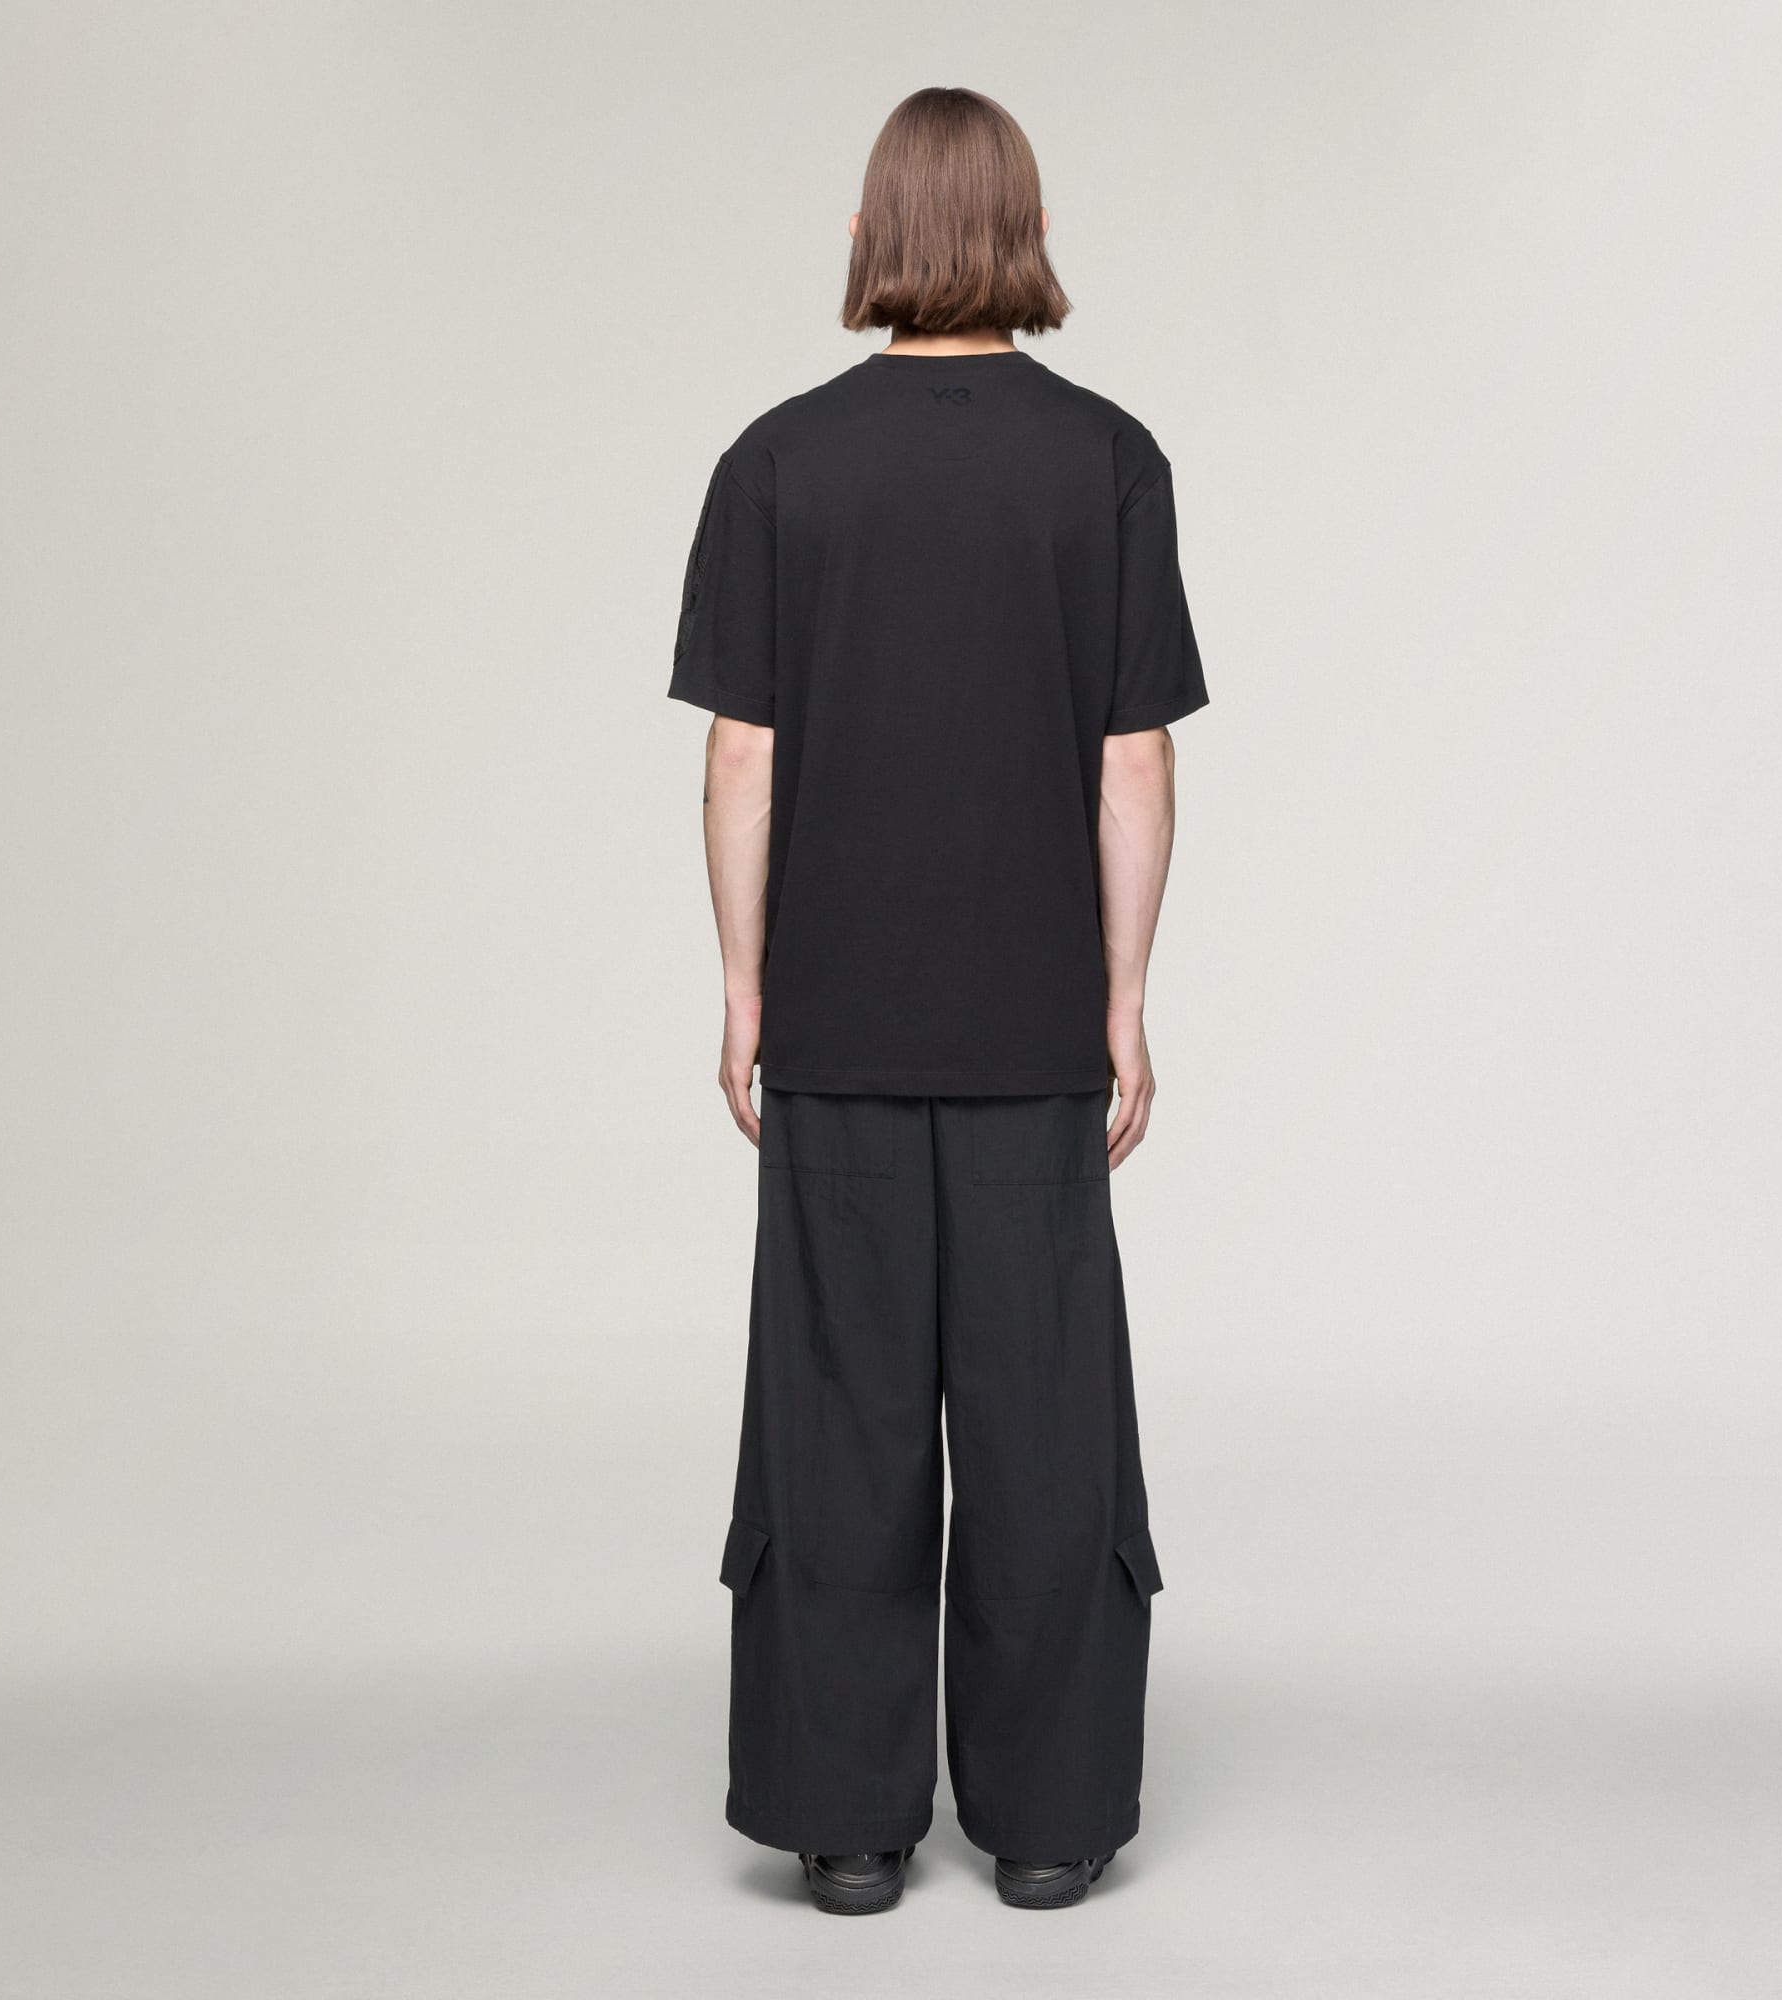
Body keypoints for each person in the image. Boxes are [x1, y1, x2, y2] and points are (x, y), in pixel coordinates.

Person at [669, 85, 1208, 1915]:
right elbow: (1133, 761)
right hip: (1035, 1037)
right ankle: (1049, 1825)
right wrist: (1123, 1000)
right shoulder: (1110, 462)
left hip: (837, 1027)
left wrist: (745, 986)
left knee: (838, 1423)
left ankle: (847, 1826)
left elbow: (743, 755)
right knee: (1049, 1426)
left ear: (872, 238)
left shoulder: (777, 465)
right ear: (1026, 235)